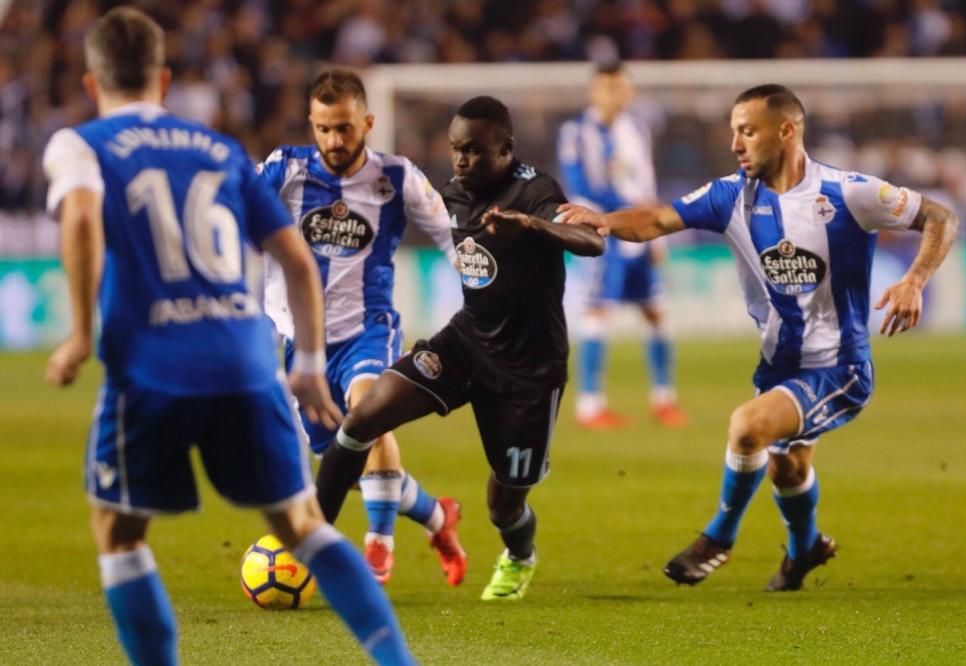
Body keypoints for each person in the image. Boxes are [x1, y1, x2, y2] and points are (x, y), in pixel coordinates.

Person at [42, 8, 413, 665]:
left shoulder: (79, 143)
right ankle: (395, 660)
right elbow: (297, 258)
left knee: (120, 532)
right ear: (163, 80)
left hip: (154, 363)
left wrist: (77, 334)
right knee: (301, 524)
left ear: (93, 85)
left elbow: (78, 219)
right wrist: (305, 360)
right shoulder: (218, 148)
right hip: (244, 355)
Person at [558, 84, 958, 591]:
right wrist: (607, 222)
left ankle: (718, 537)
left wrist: (914, 279)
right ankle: (804, 550)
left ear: (786, 132)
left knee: (747, 427)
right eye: (732, 132)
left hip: (840, 367)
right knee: (787, 469)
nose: (735, 144)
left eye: (747, 131)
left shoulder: (848, 193)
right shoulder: (730, 197)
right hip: (779, 366)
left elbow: (940, 218)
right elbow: (659, 217)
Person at [314, 96, 605, 601]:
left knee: (504, 506)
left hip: (528, 372)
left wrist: (534, 226)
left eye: (473, 150)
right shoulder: (449, 194)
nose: (461, 160)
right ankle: (311, 541)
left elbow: (592, 240)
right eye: (455, 149)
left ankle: (519, 556)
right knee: (361, 420)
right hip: (465, 344)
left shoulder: (535, 190)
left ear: (506, 148)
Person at [258, 68, 467, 587]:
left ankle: (378, 549)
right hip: (299, 340)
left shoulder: (397, 178)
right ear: (311, 124)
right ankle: (439, 517)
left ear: (368, 122)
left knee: (367, 415)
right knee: (342, 464)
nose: (334, 140)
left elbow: (452, 240)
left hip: (367, 330)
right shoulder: (283, 169)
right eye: (324, 128)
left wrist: (488, 295)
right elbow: (231, 213)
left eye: (345, 128)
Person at [557, 61, 685, 429]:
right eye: (606, 88)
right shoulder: (576, 132)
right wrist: (613, 216)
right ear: (593, 92)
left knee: (656, 311)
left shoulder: (636, 129)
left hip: (640, 232)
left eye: (620, 87)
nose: (614, 94)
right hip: (604, 231)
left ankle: (664, 399)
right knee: (597, 313)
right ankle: (590, 404)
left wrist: (655, 226)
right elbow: (578, 184)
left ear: (630, 92)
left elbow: (646, 180)